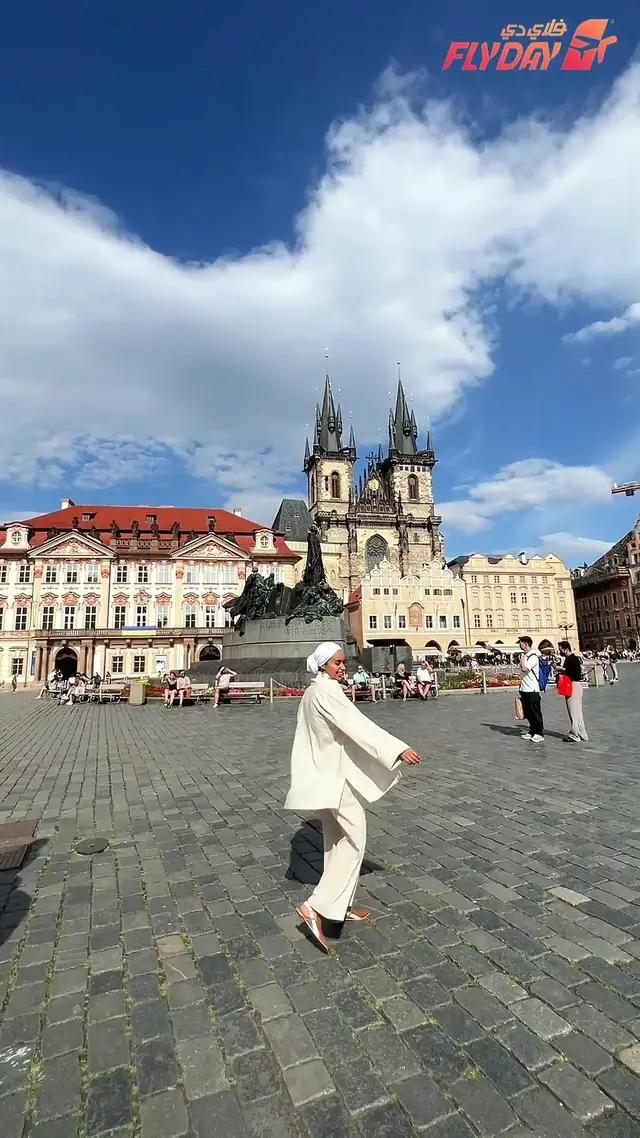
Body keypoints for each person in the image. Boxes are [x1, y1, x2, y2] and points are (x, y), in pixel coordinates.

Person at [286, 642, 422, 952]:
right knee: (355, 837)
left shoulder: (313, 691)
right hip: (332, 776)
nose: (342, 666)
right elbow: (359, 725)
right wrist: (397, 748)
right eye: (337, 662)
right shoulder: (327, 692)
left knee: (335, 841)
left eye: (343, 661)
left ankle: (338, 907)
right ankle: (317, 906)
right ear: (323, 665)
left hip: (322, 773)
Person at [557, 641, 588, 743]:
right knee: (578, 712)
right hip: (575, 686)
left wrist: (561, 669)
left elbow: (574, 674)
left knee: (573, 712)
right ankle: (582, 733)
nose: (560, 651)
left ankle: (575, 734)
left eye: (561, 649)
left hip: (572, 686)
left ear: (566, 649)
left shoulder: (572, 659)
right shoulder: (573, 659)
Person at [518, 635, 544, 743]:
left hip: (532, 689)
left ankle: (539, 733)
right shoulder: (525, 655)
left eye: (520, 642)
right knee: (528, 711)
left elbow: (525, 669)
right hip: (525, 688)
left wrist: (522, 659)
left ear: (526, 644)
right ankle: (532, 730)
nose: (519, 644)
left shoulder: (532, 656)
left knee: (535, 711)